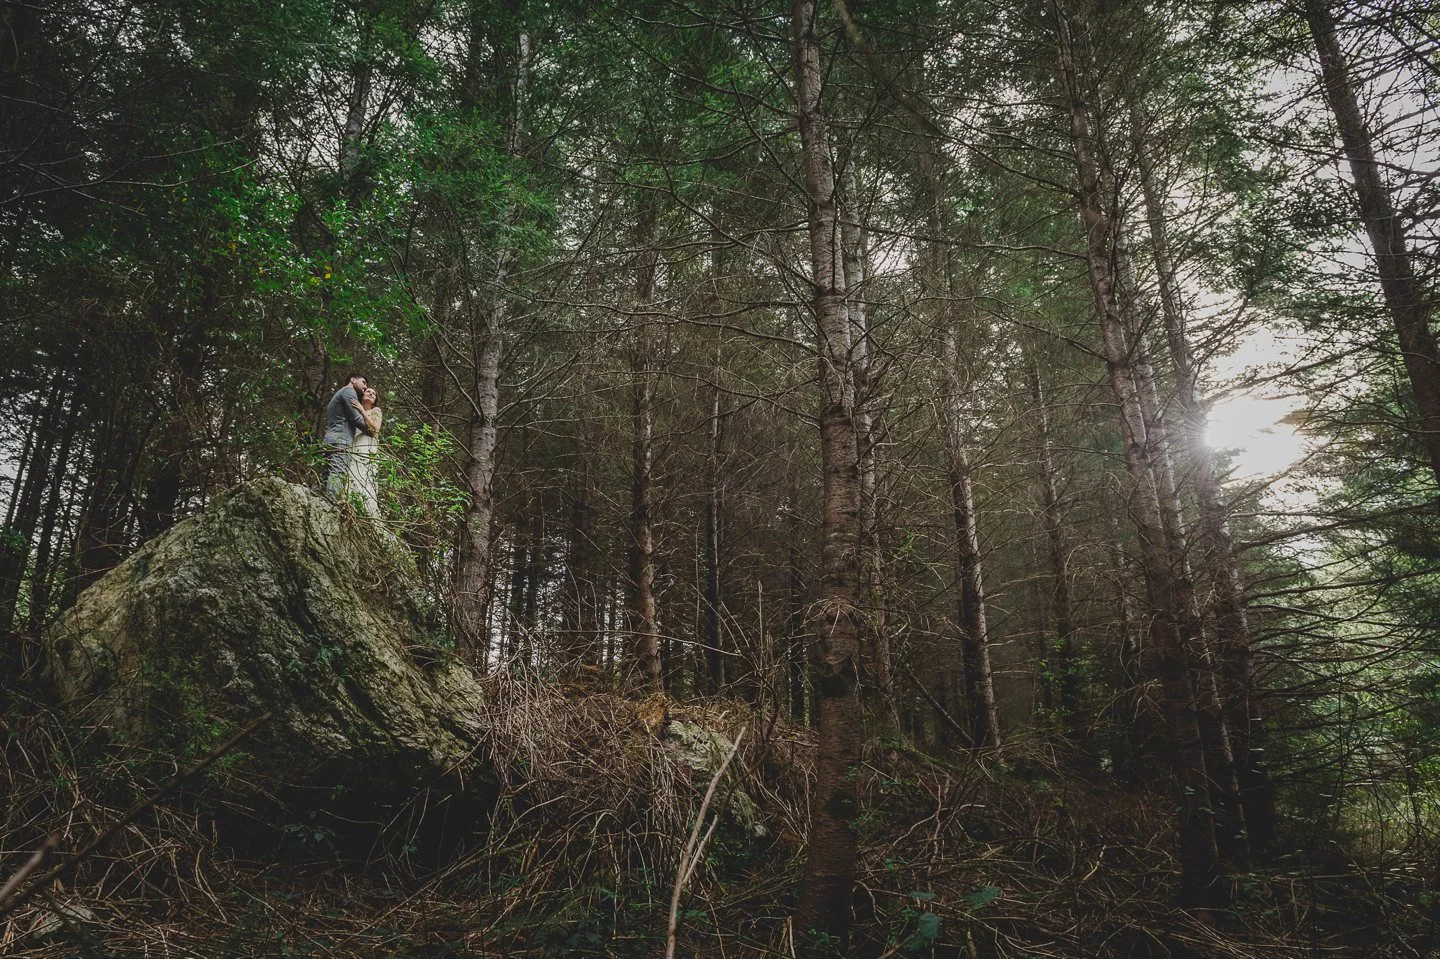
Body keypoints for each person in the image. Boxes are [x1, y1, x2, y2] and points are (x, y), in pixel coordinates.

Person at [323, 373, 370, 499]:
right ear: (353, 380)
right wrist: (370, 428)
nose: (365, 387)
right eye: (364, 382)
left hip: (329, 439)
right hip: (341, 441)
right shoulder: (349, 392)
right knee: (337, 473)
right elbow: (357, 419)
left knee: (325, 477)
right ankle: (329, 507)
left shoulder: (338, 394)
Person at [350, 387, 383, 516]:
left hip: (368, 444)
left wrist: (362, 410)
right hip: (354, 444)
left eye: (374, 393)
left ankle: (367, 510)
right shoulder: (354, 411)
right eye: (368, 391)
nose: (371, 393)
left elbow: (375, 429)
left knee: (365, 474)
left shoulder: (376, 410)